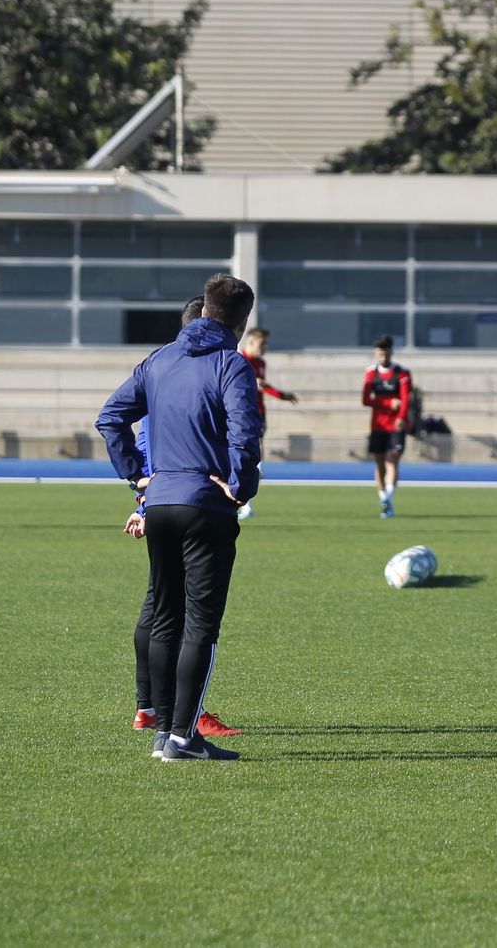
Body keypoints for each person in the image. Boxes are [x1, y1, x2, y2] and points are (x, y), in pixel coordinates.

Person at [96, 273, 262, 762]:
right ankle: (184, 738)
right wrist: (240, 486)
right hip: (204, 504)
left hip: (161, 501)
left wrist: (137, 477)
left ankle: (162, 730)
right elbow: (244, 434)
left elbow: (109, 417)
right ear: (242, 319)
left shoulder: (159, 359)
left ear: (206, 308)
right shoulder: (231, 364)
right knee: (201, 625)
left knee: (164, 616)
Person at [124, 296, 241, 739]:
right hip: (186, 500)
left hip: (162, 500)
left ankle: (150, 710)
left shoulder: (161, 367)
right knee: (184, 615)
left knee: (160, 605)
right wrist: (141, 497)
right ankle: (180, 719)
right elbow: (152, 444)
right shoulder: (195, 370)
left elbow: (129, 431)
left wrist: (140, 491)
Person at [236, 327, 299, 519]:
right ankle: (243, 501)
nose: (265, 348)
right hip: (240, 413)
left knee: (252, 452)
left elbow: (262, 386)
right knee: (240, 456)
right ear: (251, 342)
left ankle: (249, 495)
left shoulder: (261, 362)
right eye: (262, 344)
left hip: (258, 412)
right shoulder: (237, 359)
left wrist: (282, 395)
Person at [363, 334, 413, 518]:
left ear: (391, 352)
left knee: (392, 459)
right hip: (377, 425)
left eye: (386, 353)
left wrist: (401, 416)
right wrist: (387, 403)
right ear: (377, 353)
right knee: (379, 463)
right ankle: (384, 497)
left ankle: (388, 499)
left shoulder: (402, 373)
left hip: (396, 425)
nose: (383, 357)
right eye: (380, 354)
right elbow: (366, 399)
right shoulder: (371, 373)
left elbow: (406, 398)